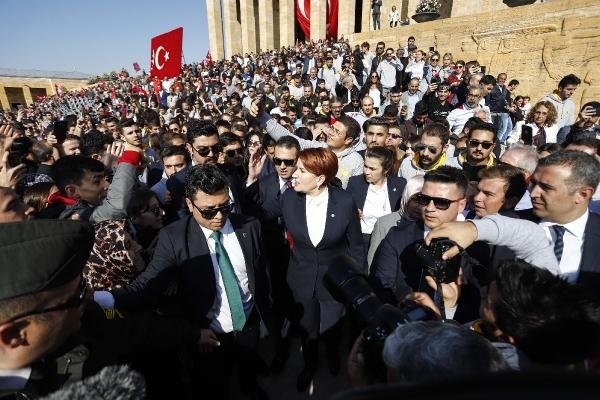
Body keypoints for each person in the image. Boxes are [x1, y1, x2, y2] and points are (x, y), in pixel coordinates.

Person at [95, 164, 274, 399]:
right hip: (208, 336)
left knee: (248, 371)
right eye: (209, 211)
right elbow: (149, 284)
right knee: (215, 386)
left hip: (249, 323)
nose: (219, 216)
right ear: (190, 204)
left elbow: (261, 274)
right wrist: (104, 298)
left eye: (225, 207)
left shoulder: (250, 226)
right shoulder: (174, 237)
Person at [263, 148, 364, 392]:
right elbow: (262, 214)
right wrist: (249, 178)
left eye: (301, 171)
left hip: (335, 281)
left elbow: (356, 245)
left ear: (319, 178)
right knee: (308, 329)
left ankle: (332, 357)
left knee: (332, 327)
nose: (293, 175)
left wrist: (357, 281)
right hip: (301, 279)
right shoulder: (288, 198)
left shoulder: (345, 201)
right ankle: (309, 366)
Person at [370, 166, 468, 313]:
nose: (429, 208)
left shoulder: (476, 244)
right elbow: (382, 289)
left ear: (461, 205)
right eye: (424, 199)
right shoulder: (397, 237)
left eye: (441, 202)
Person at [346, 146, 407, 250]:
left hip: (387, 239)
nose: (367, 172)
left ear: (386, 169)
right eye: (365, 166)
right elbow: (345, 208)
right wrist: (352, 212)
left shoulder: (399, 185)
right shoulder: (355, 183)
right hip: (362, 239)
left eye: (372, 169)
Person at [367, 175, 424, 267]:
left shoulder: (429, 225)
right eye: (416, 200)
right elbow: (372, 260)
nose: (420, 206)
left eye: (425, 201)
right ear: (407, 196)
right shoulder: (385, 223)